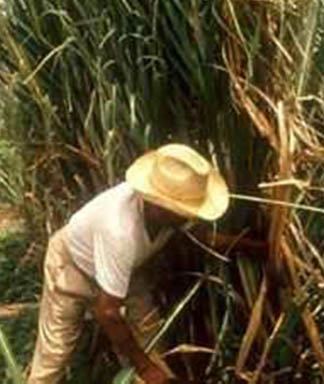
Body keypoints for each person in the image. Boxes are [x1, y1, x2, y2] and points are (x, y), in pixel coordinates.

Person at [26, 144, 266, 384]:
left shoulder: (168, 216)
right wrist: (145, 369)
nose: (188, 218)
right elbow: (107, 311)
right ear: (157, 205)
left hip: (127, 272)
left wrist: (253, 246)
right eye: (181, 213)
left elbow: (201, 239)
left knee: (150, 340)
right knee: (54, 356)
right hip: (72, 267)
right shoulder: (119, 230)